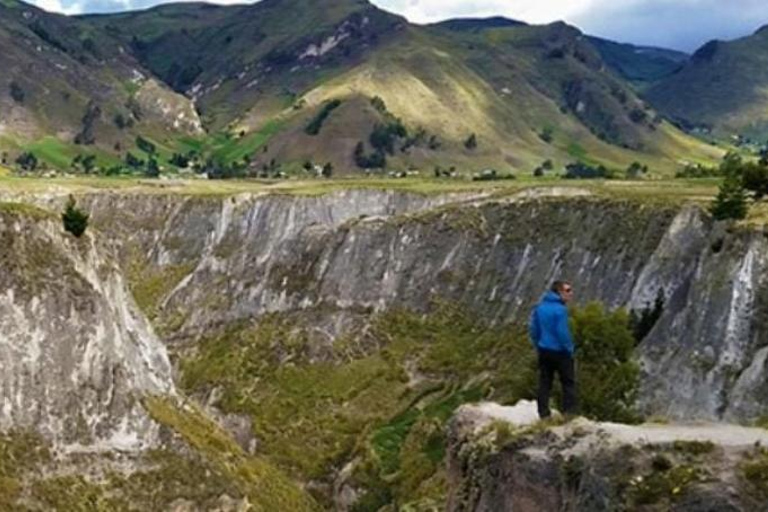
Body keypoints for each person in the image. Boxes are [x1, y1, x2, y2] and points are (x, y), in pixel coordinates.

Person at [529, 280, 576, 419]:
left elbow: (534, 329)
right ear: (559, 292)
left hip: (544, 350)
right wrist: (569, 348)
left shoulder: (540, 307)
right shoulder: (560, 310)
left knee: (545, 382)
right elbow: (562, 332)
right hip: (560, 351)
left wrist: (538, 344)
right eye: (568, 290)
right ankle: (568, 413)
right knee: (568, 382)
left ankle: (543, 413)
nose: (571, 293)